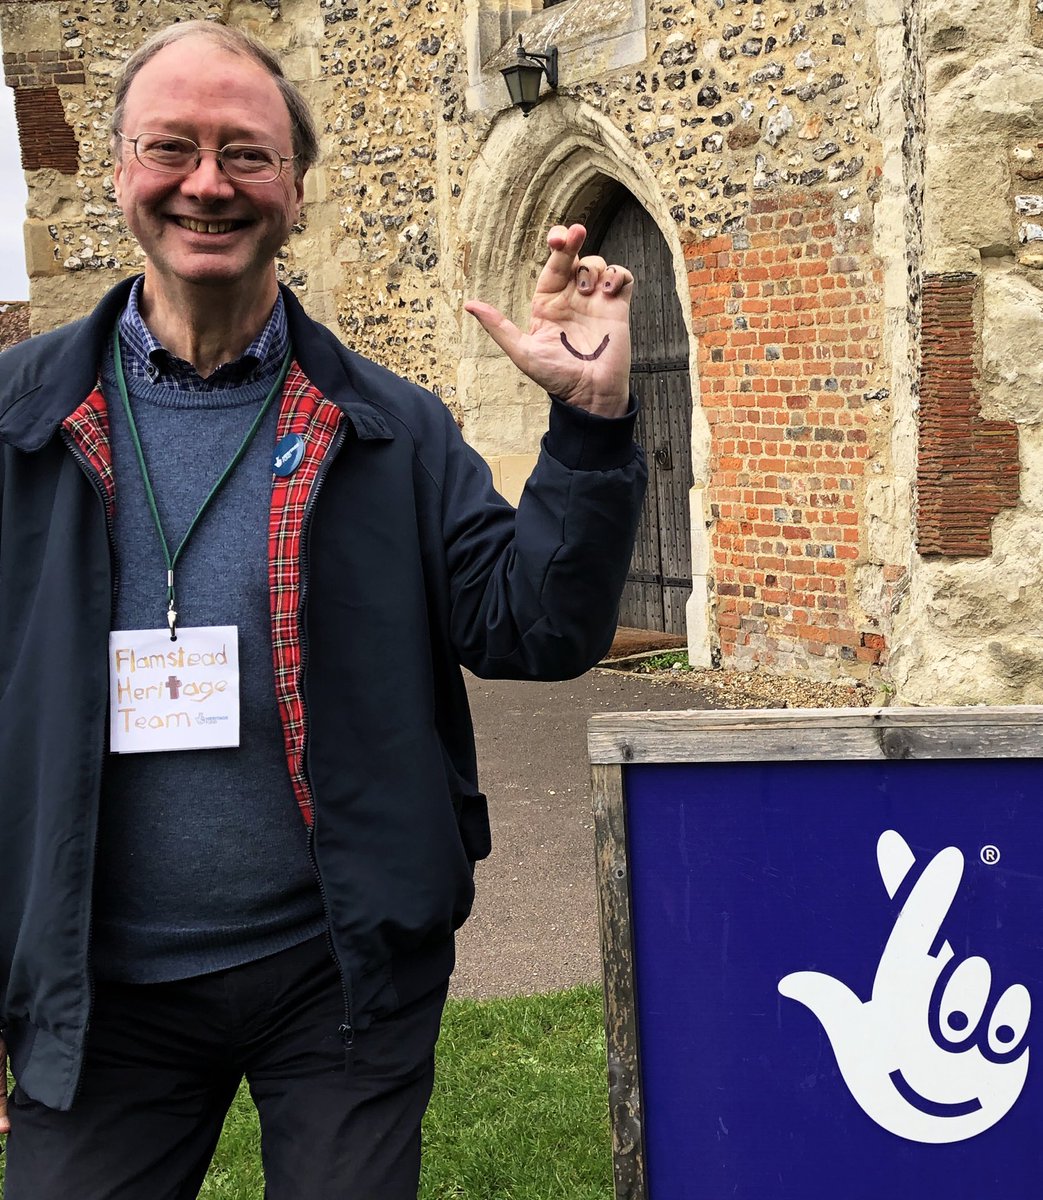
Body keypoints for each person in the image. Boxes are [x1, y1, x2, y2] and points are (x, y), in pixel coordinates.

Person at [0, 19, 644, 1199]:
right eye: (171, 147)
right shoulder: (19, 423)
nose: (207, 183)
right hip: (95, 987)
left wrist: (588, 430)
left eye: (246, 153)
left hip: (338, 970)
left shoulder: (390, 428)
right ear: (119, 171)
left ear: (295, 189)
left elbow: (536, 629)